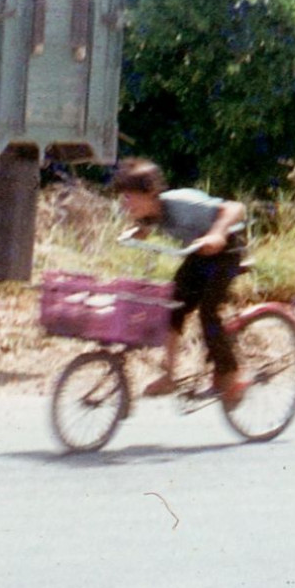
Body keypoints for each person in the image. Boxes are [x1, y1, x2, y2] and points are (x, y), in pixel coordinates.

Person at [111, 158, 249, 406]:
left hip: (227, 249)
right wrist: (136, 233)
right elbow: (147, 225)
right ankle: (170, 375)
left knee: (208, 313)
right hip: (199, 254)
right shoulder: (153, 213)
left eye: (129, 196)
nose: (125, 203)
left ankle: (231, 374)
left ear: (151, 193)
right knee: (171, 308)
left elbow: (235, 208)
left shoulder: (181, 203)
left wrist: (217, 233)